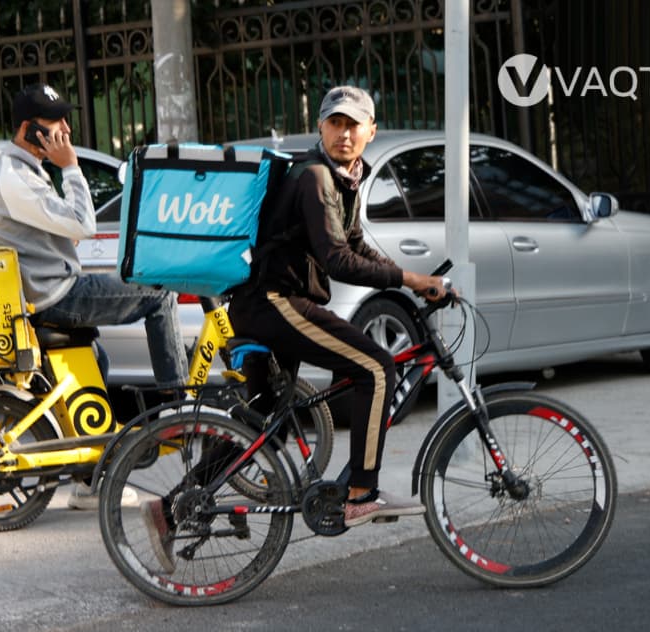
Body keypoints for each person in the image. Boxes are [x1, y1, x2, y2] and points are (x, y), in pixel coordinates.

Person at [139, 85, 450, 572]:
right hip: (275, 304)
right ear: (322, 128)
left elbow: (355, 244)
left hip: (267, 304)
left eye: (354, 125)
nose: (344, 133)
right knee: (378, 368)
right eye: (335, 124)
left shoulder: (343, 178)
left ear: (371, 131)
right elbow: (337, 259)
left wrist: (416, 282)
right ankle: (361, 492)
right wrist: (410, 279)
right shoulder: (314, 177)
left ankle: (169, 510)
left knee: (260, 417)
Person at [0, 83, 189, 510]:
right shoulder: (12, 176)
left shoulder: (26, 171)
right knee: (160, 296)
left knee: (96, 364)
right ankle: (178, 404)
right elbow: (82, 224)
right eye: (57, 124)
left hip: (48, 288)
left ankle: (89, 485)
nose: (67, 130)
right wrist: (71, 167)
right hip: (53, 295)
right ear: (29, 130)